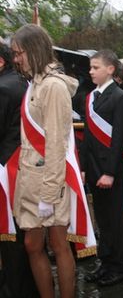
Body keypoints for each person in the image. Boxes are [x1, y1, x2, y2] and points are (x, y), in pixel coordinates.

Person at [10, 24, 78, 298]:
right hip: (31, 180)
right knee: (32, 244)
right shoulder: (35, 83)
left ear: (34, 50)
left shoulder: (52, 87)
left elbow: (55, 143)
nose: (16, 59)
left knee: (59, 245)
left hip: (50, 181)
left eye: (19, 53)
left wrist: (49, 194)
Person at [80, 50, 123, 287]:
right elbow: (87, 138)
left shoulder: (120, 97)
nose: (91, 71)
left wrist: (110, 172)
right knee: (102, 218)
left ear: (110, 69)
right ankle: (106, 262)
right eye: (90, 67)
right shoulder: (91, 98)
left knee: (115, 219)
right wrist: (82, 167)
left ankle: (119, 266)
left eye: (96, 67)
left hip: (111, 170)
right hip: (93, 168)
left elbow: (119, 138)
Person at [0, 43, 38, 298]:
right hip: (21, 164)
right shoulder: (21, 82)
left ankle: (14, 289)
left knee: (9, 234)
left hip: (6, 165)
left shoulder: (4, 88)